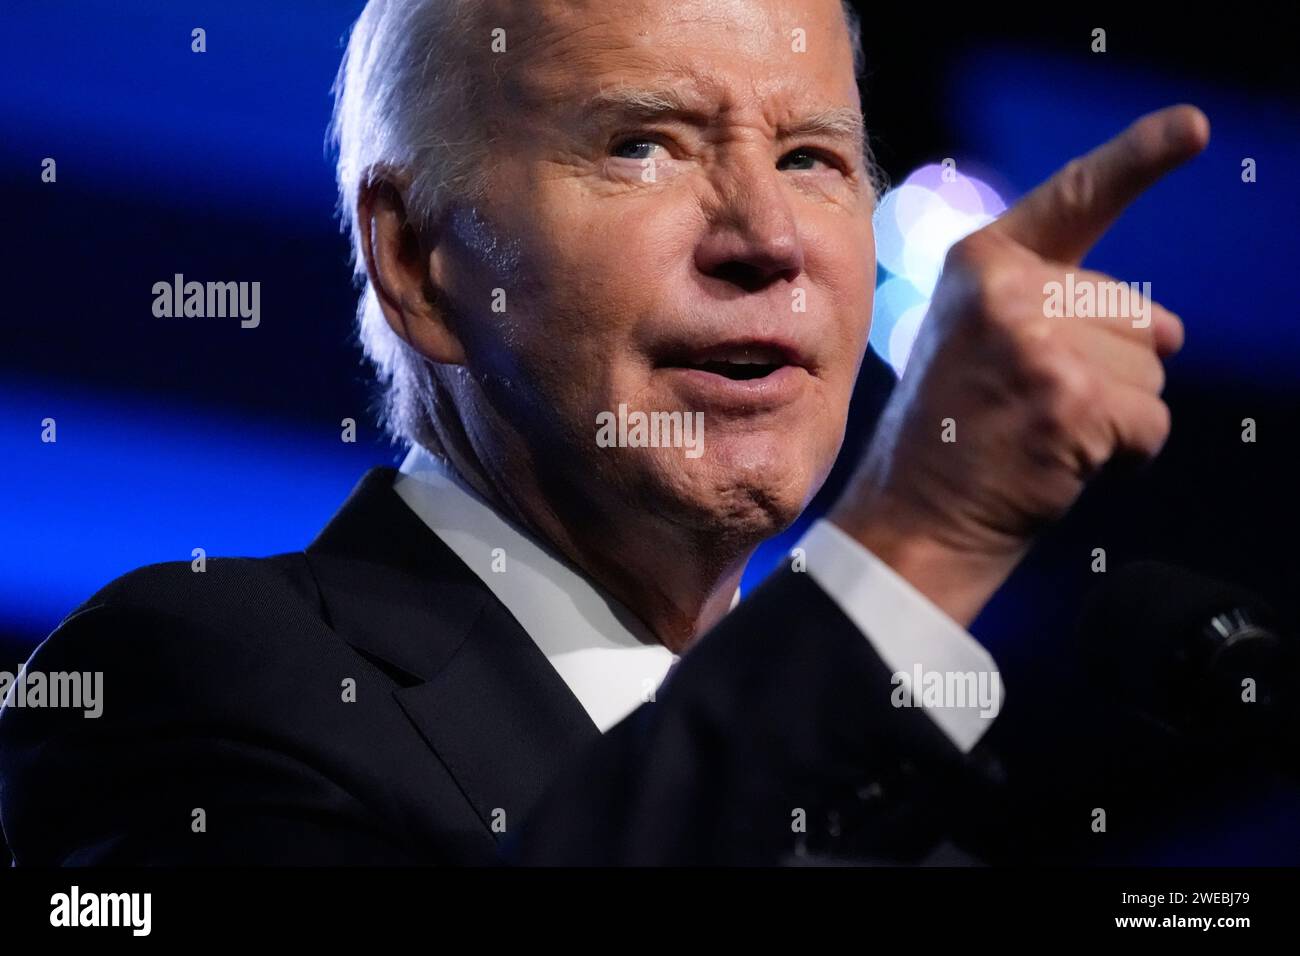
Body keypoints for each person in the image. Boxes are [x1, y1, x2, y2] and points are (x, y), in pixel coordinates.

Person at [0, 0, 1207, 864]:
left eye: (810, 157)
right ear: (419, 262)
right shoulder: (189, 681)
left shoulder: (909, 821)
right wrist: (919, 540)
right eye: (642, 144)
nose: (768, 237)